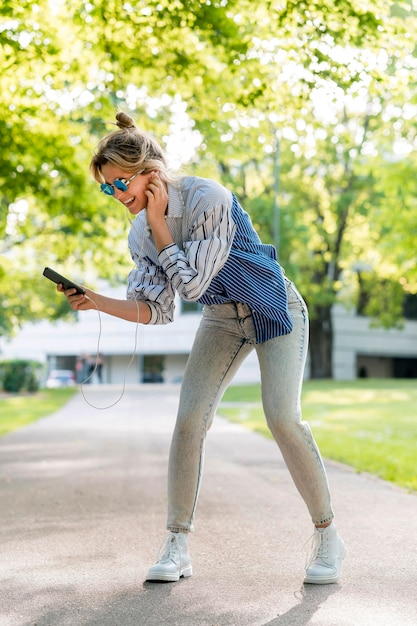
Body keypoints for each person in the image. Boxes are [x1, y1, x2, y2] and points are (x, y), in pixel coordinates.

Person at [58, 111, 345, 585]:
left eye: (118, 183)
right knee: (190, 419)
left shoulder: (209, 197)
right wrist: (96, 301)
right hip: (222, 319)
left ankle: (328, 536)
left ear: (150, 173)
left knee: (282, 416)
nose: (114, 195)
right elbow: (157, 309)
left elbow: (190, 286)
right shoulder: (139, 234)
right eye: (106, 188)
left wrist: (161, 226)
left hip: (274, 306)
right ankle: (177, 544)